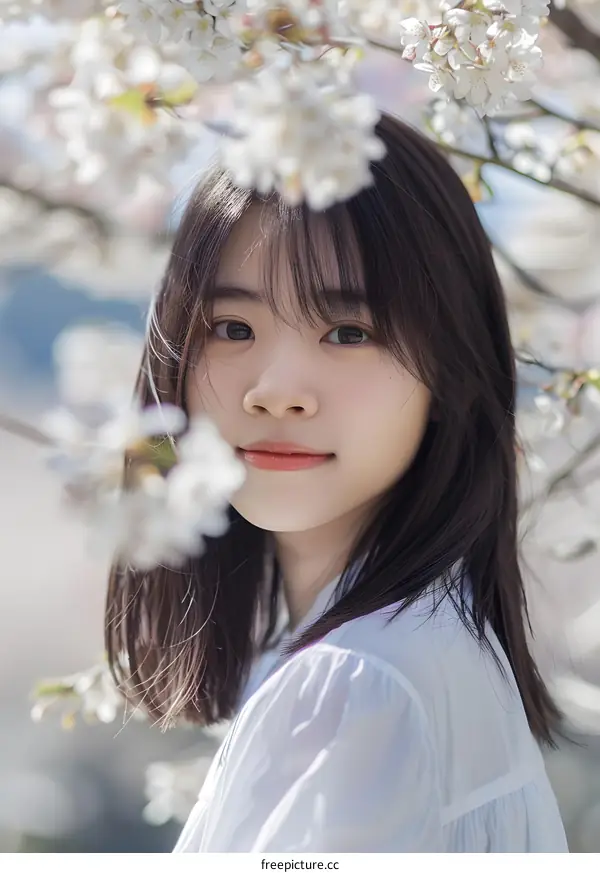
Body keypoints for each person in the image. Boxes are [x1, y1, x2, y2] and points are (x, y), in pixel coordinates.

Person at [105, 112, 569, 852]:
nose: (276, 391)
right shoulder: (418, 652)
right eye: (232, 328)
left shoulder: (359, 684)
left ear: (450, 368)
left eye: (348, 333)